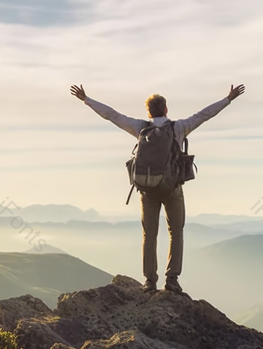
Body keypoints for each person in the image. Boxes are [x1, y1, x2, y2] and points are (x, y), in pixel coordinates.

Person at [70, 83, 245, 294]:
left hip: (147, 189)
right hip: (172, 189)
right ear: (166, 110)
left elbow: (112, 115)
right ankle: (172, 279)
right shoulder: (178, 128)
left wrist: (86, 99)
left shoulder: (140, 128)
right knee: (176, 232)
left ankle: (150, 281)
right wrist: (228, 99)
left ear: (149, 111)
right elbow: (204, 115)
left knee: (149, 235)